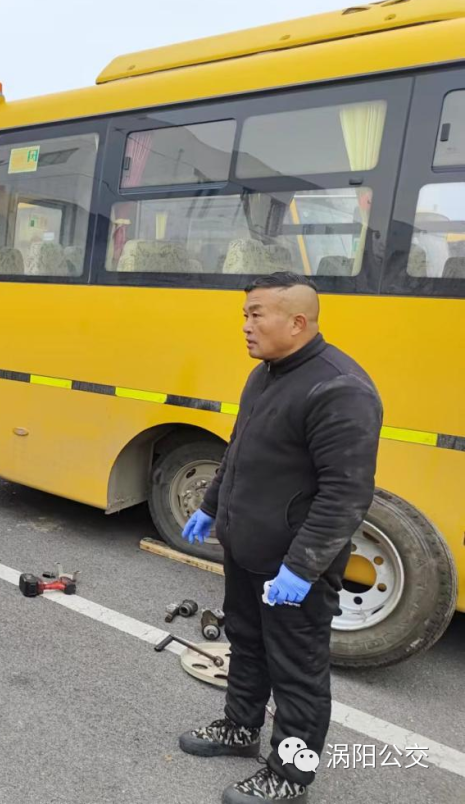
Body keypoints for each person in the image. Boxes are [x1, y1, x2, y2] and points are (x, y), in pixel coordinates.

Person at [178, 271, 382, 804]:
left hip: (294, 566)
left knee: (299, 674)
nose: (245, 325)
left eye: (256, 314)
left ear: (297, 322)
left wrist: (302, 567)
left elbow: (346, 493)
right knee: (246, 644)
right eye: (244, 314)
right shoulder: (265, 374)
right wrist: (211, 507)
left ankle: (291, 778)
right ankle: (240, 729)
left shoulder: (340, 388)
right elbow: (240, 449)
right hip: (246, 548)